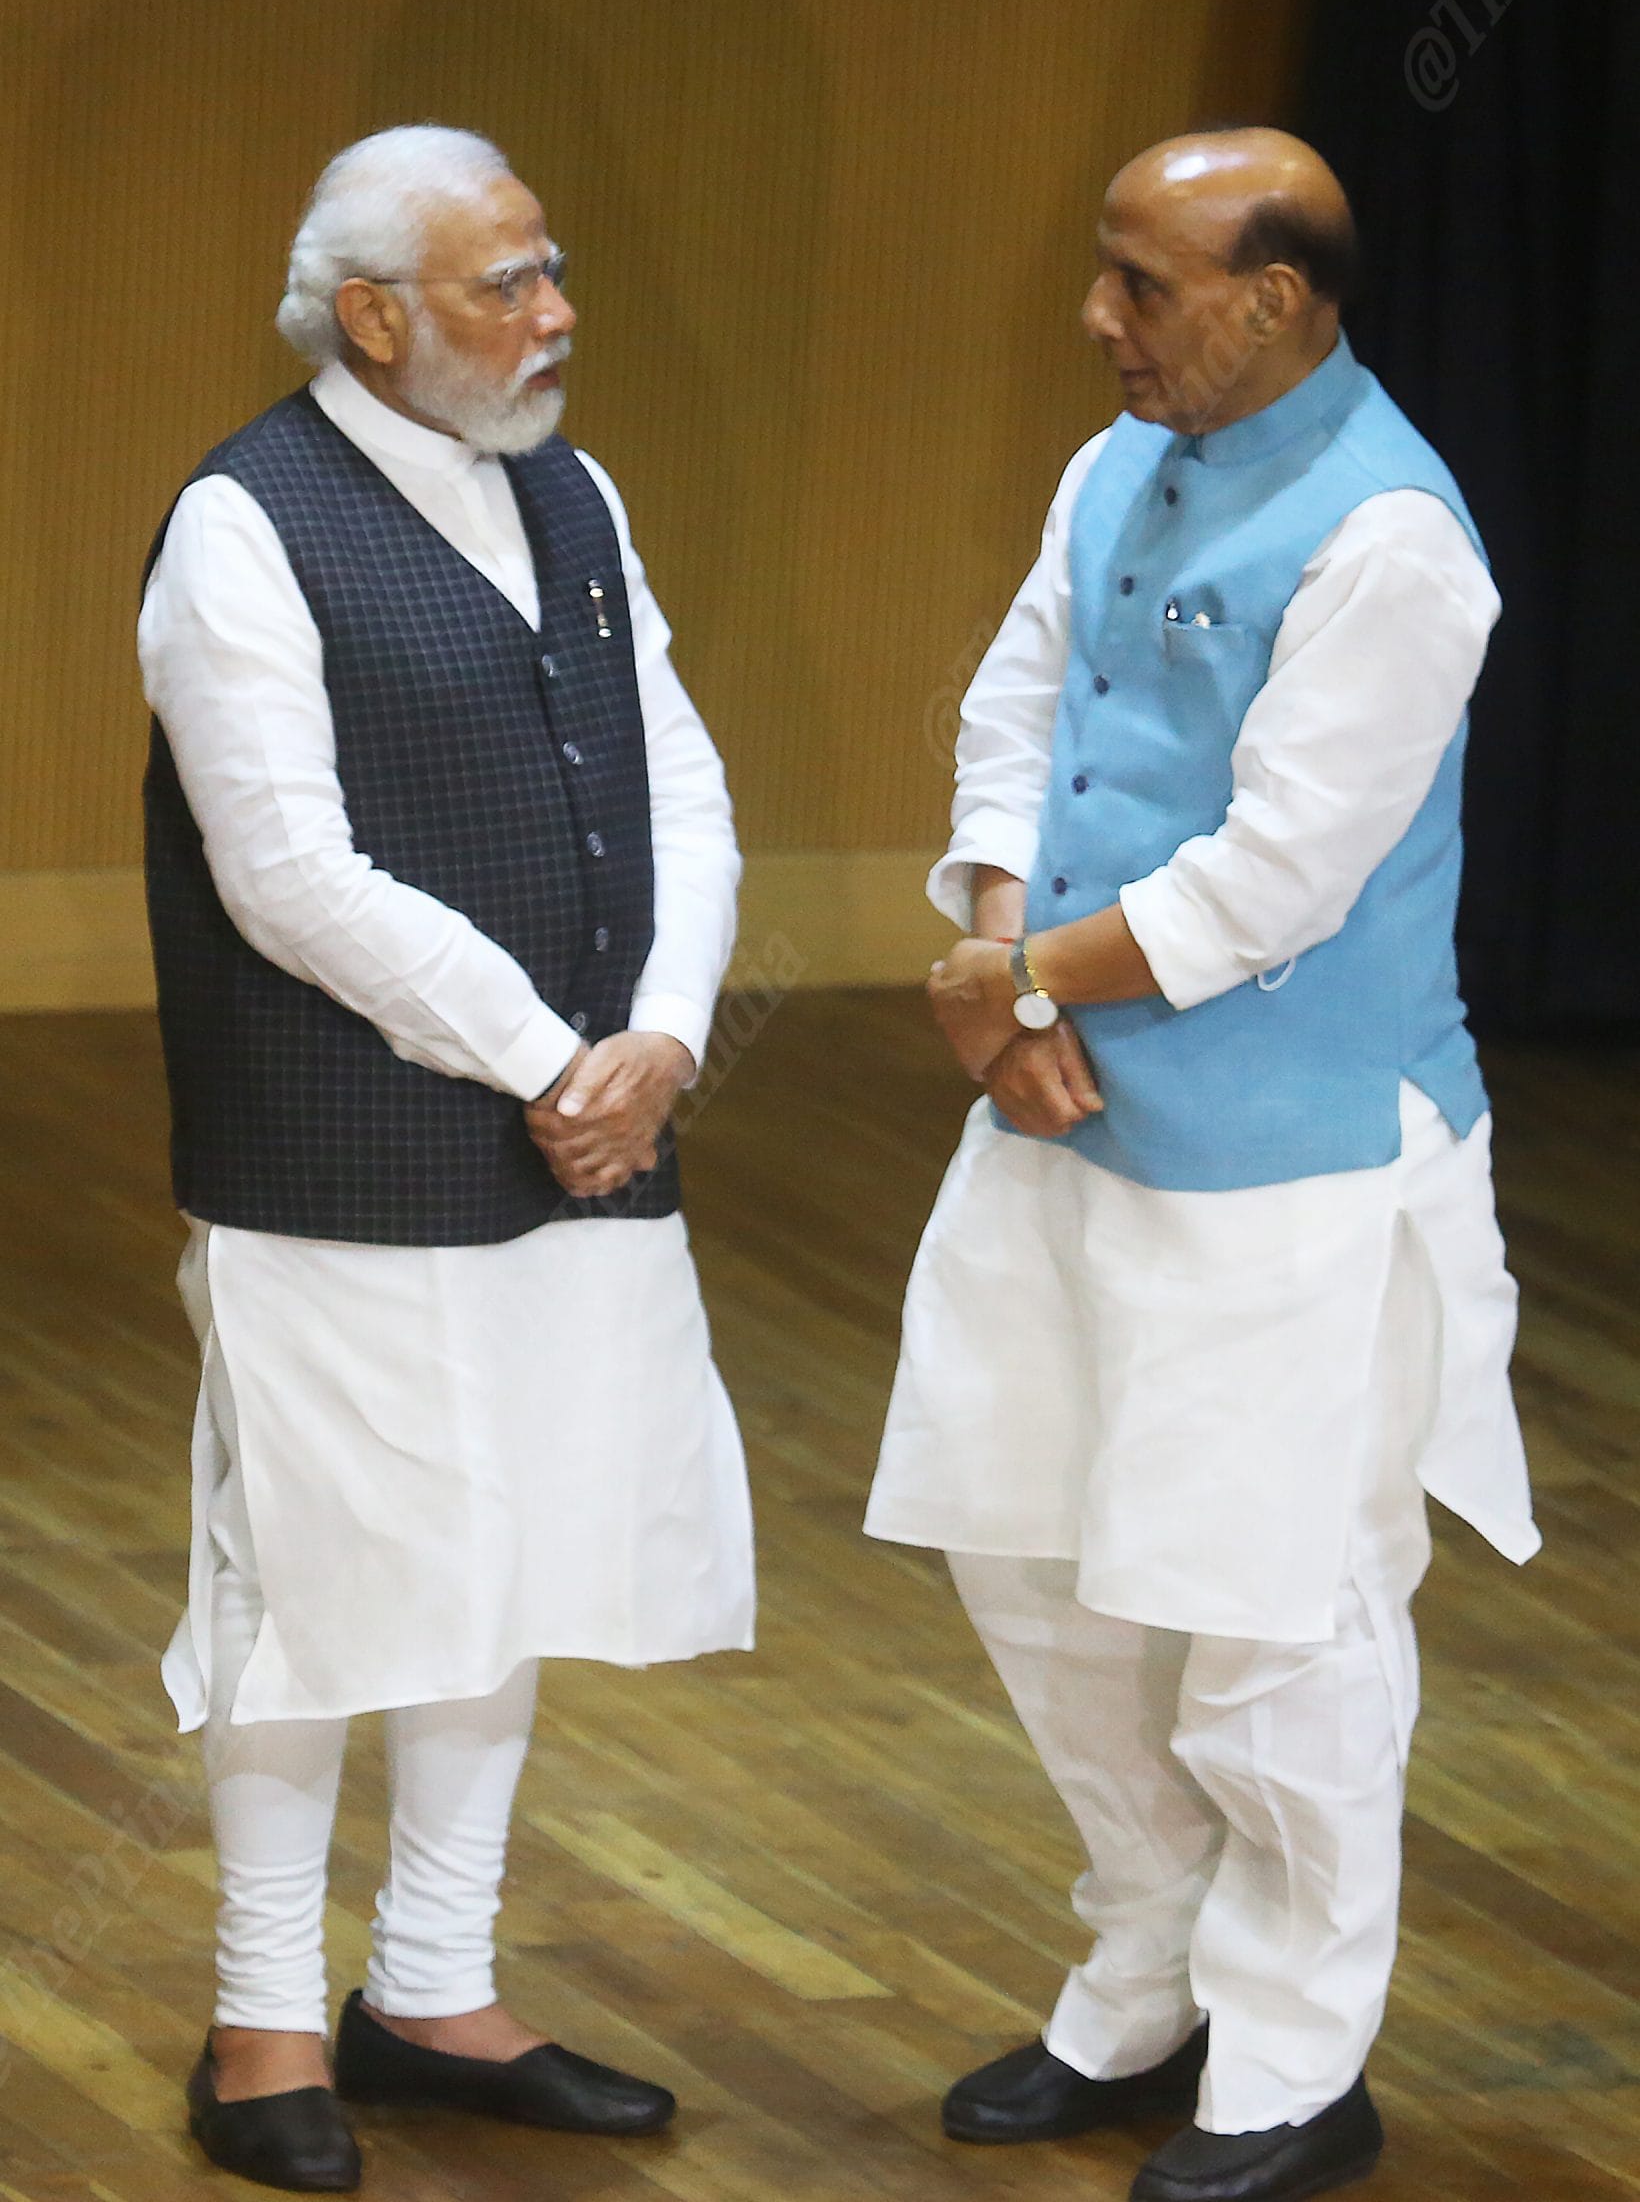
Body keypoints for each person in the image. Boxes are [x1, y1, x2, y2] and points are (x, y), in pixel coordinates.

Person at [865, 129, 1538, 2202]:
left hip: (1290, 1162)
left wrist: (1009, 985)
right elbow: (1020, 709)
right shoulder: (1112, 463)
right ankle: (1150, 1961)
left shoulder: (1394, 542)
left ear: (1275, 299)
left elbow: (1276, 877)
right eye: (1103, 270)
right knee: (1032, 1554)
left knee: (1275, 1614)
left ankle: (1298, 2061)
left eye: (1140, 284)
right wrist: (1006, 976)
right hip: (1062, 1103)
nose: (1098, 317)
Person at [139, 124, 754, 2193]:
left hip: (586, 1129)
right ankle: (260, 2021)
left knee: (520, 1547)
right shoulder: (243, 522)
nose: (556, 311)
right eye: (508, 282)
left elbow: (681, 773)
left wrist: (666, 1033)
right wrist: (554, 1059)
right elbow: (283, 869)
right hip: (345, 1146)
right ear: (374, 317)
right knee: (320, 1578)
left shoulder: (575, 490)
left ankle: (431, 1987)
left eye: (550, 267)